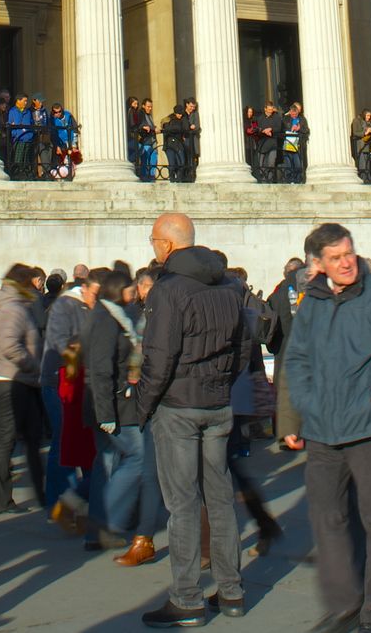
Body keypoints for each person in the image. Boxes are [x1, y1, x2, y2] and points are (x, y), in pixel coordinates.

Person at [283, 221, 371, 633]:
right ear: (319, 264)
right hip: (324, 430)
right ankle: (345, 601)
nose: (347, 263)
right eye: (337, 258)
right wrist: (302, 409)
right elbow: (297, 360)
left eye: (350, 253)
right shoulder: (312, 303)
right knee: (328, 519)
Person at [134, 212, 247, 626]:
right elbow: (243, 347)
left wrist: (142, 406)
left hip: (178, 406)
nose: (153, 246)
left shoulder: (168, 290)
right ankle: (231, 591)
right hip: (217, 403)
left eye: (153, 240)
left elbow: (158, 356)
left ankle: (186, 598)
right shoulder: (229, 286)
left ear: (165, 244)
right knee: (219, 500)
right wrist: (221, 383)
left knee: (181, 504)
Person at [83, 264, 164, 566]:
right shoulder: (106, 319)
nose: (135, 294)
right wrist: (106, 413)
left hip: (111, 404)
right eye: (131, 290)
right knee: (137, 458)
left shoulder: (111, 316)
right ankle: (108, 519)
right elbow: (102, 368)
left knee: (107, 462)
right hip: (113, 405)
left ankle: (95, 527)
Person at [0, 262, 48, 514]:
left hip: (18, 378)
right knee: (8, 438)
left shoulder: (14, 306)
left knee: (29, 437)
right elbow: (9, 345)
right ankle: (1, 498)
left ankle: (41, 492)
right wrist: (32, 365)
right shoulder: (12, 308)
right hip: (11, 379)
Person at [40, 269, 97, 532]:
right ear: (84, 289)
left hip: (79, 382)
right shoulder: (65, 306)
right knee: (63, 444)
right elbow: (61, 343)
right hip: (60, 381)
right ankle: (58, 502)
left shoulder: (85, 306)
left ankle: (83, 506)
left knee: (81, 444)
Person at [279, 102, 308, 184]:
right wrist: (290, 129)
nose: (294, 115)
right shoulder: (285, 119)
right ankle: (289, 179)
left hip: (298, 144)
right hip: (288, 143)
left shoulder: (302, 119)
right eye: (293, 114)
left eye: (296, 114)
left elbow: (306, 130)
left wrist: (299, 128)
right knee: (288, 162)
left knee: (297, 163)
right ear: (290, 112)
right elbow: (281, 130)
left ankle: (298, 179)